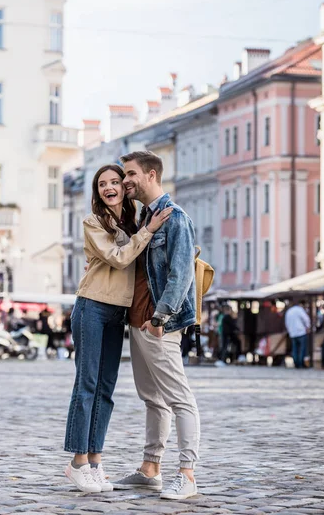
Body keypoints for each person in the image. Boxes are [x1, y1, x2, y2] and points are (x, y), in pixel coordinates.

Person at [64, 164, 172, 493]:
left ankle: (95, 461)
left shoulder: (134, 220)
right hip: (92, 306)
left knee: (106, 389)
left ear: (125, 188)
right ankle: (77, 462)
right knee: (87, 385)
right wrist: (148, 232)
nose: (109, 187)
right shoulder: (93, 222)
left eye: (115, 182)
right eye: (102, 184)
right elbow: (120, 258)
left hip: (118, 312)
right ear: (97, 192)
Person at [113, 150, 200, 501]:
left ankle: (187, 474)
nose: (125, 181)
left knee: (179, 398)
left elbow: (181, 276)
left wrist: (161, 318)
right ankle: (150, 469)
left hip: (158, 322)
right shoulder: (143, 218)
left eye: (130, 174)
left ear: (151, 175)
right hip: (137, 321)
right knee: (151, 398)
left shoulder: (176, 218)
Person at [284, 300, 311, 369]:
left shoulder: (289, 311)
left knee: (295, 349)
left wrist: (290, 331)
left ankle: (296, 363)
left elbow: (287, 323)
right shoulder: (299, 310)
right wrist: (308, 327)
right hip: (301, 332)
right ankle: (301, 363)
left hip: (293, 333)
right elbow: (306, 319)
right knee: (302, 348)